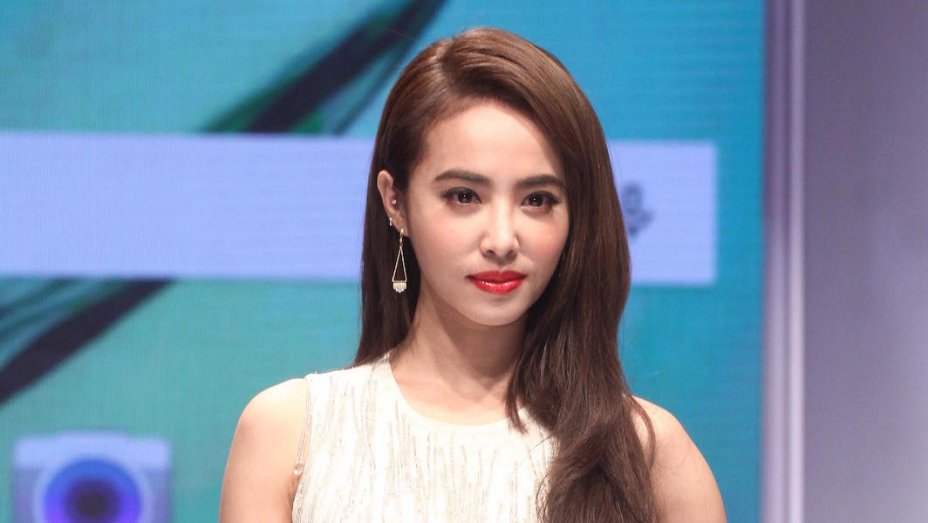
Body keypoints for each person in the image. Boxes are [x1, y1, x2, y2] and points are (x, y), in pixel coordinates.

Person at [220, 27, 725, 522]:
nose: (502, 240)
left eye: (537, 200)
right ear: (395, 202)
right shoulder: (292, 435)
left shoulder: (650, 457)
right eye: (464, 196)